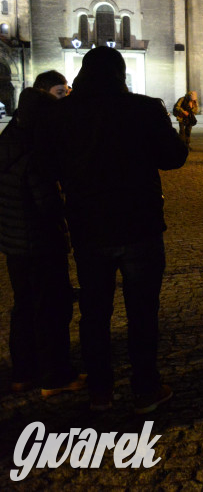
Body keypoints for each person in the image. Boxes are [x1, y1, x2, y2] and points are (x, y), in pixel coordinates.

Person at [39, 46, 188, 413]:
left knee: (94, 311)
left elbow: (48, 167)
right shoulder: (144, 108)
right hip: (140, 226)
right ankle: (145, 388)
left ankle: (100, 391)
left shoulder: (62, 115)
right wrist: (181, 127)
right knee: (141, 311)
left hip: (90, 229)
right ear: (121, 74)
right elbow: (173, 159)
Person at [1, 75, 83, 397]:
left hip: (13, 244)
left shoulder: (7, 142)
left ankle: (22, 373)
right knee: (51, 307)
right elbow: (48, 204)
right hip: (40, 242)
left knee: (24, 308)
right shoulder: (33, 153)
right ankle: (54, 376)